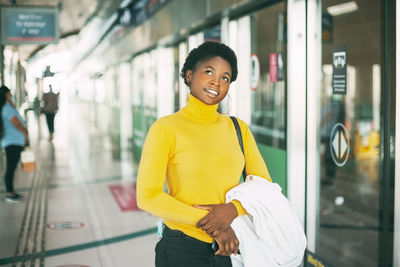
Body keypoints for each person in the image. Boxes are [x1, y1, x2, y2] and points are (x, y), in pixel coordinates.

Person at [136, 41, 272, 267]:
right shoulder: (166, 128)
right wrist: (215, 225)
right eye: (208, 72)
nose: (216, 82)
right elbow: (147, 196)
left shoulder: (239, 129)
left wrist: (233, 210)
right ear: (189, 75)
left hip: (232, 247)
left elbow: (263, 184)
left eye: (225, 78)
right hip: (182, 248)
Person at [0, 85, 29, 203]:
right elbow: (16, 123)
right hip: (12, 141)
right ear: (6, 94)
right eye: (9, 92)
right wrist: (25, 132)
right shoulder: (6, 108)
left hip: (13, 141)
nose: (11, 94)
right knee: (11, 168)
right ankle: (10, 194)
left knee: (12, 167)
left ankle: (11, 191)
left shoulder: (7, 106)